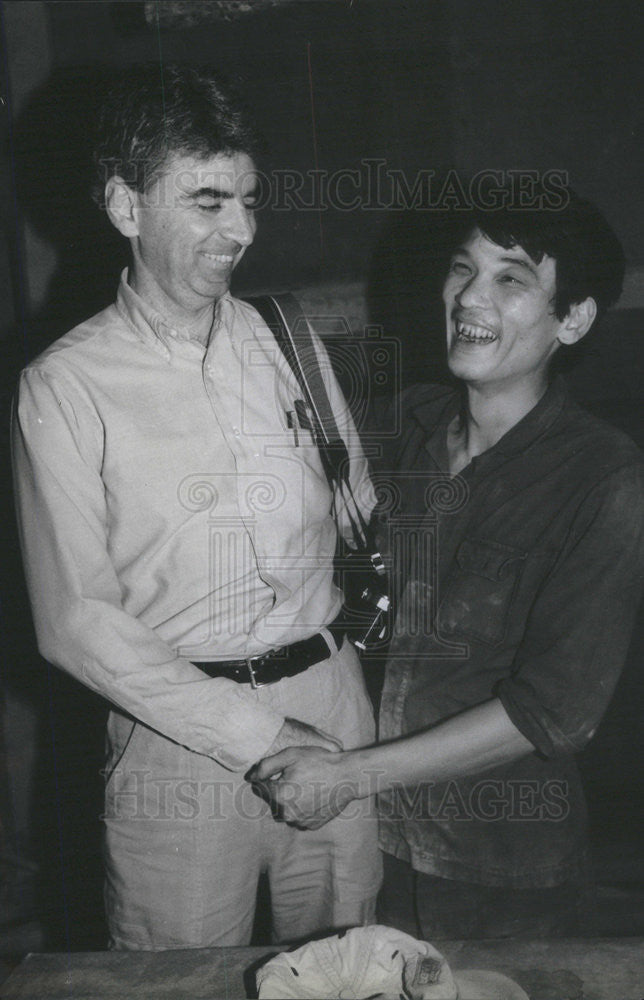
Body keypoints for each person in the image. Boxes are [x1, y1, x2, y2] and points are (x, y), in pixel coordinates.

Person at [12, 64, 381, 949]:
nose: (243, 230)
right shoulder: (64, 386)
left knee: (345, 966)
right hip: (173, 741)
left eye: (250, 199)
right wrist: (254, 731)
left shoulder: (289, 340)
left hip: (332, 713)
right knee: (176, 978)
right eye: (209, 201)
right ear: (125, 205)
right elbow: (74, 621)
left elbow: (357, 507)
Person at [253, 189, 644, 938]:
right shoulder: (403, 428)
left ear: (575, 318)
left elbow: (551, 714)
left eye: (511, 278)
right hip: (369, 849)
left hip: (501, 871)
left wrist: (348, 776)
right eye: (463, 267)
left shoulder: (605, 479)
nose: (469, 293)